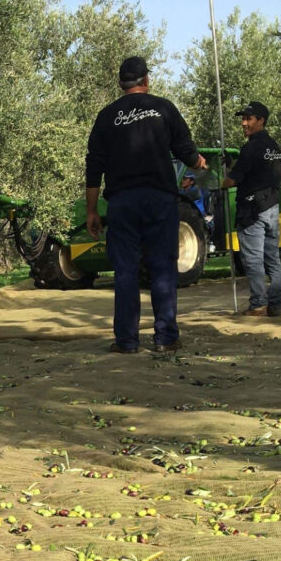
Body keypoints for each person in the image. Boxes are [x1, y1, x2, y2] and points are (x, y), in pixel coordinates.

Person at [85, 56, 206, 354]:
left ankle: (126, 341)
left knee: (125, 270)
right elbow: (185, 150)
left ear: (120, 84)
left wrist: (91, 211)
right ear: (146, 81)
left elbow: (94, 167)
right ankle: (165, 337)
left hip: (122, 201)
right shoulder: (164, 108)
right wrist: (198, 162)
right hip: (159, 199)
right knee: (163, 266)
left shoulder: (106, 116)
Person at [221, 101, 281, 317]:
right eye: (243, 118)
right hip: (271, 209)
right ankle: (275, 304)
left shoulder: (251, 147)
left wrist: (222, 176)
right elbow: (260, 173)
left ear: (261, 120)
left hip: (253, 210)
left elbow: (232, 181)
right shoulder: (274, 147)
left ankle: (258, 304)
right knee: (272, 258)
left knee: (253, 259)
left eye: (249, 119)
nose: (243, 123)